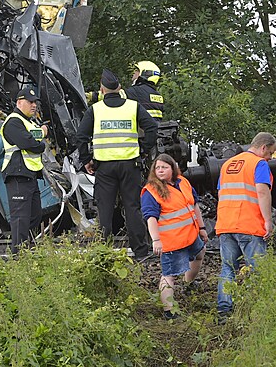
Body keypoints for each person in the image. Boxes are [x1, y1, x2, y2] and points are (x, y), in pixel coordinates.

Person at [77, 69, 158, 261]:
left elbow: (80, 136)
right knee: (132, 207)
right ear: (120, 88)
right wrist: (143, 150)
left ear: (102, 89)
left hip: (104, 167)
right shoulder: (133, 107)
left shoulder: (95, 110)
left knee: (104, 208)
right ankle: (140, 252)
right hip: (130, 164)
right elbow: (152, 128)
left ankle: (104, 251)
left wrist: (86, 159)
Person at [215, 131, 275, 321]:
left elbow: (220, 193)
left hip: (226, 224)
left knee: (228, 268)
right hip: (249, 224)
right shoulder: (259, 163)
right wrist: (268, 221)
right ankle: (262, 311)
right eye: (271, 152)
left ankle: (224, 310)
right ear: (263, 147)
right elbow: (262, 192)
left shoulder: (227, 165)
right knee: (259, 269)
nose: (270, 157)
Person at [141, 154, 208, 319]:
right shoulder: (152, 191)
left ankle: (188, 283)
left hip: (190, 234)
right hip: (171, 240)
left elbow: (194, 205)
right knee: (169, 275)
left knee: (199, 254)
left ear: (173, 168)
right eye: (157, 168)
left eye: (164, 167)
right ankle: (169, 312)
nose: (160, 170)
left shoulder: (182, 182)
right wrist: (156, 240)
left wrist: (201, 227)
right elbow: (151, 218)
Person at [0, 85, 48, 255]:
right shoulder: (13, 122)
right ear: (20, 102)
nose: (34, 105)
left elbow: (32, 139)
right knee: (20, 219)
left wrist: (38, 137)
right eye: (30, 102)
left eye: (35, 102)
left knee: (34, 216)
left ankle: (27, 252)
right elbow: (29, 143)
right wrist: (41, 140)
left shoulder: (28, 122)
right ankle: (18, 257)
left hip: (30, 175)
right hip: (18, 175)